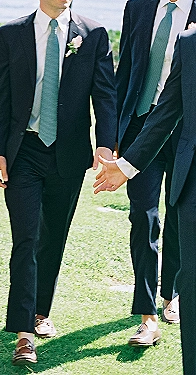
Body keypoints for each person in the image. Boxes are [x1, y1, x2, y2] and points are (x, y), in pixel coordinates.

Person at [0, 0, 117, 366]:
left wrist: (105, 143)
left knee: (53, 237)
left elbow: (106, 96)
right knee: (26, 237)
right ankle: (24, 332)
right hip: (23, 150)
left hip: (69, 153)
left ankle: (40, 311)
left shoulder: (93, 35)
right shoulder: (11, 35)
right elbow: (0, 99)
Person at [94, 24, 196, 375]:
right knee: (191, 286)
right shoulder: (187, 41)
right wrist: (125, 163)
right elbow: (164, 109)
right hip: (189, 181)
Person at [115, 0, 196, 345]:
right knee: (142, 216)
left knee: (180, 217)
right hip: (140, 129)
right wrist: (114, 134)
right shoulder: (138, 7)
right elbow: (125, 72)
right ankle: (146, 313)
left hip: (187, 135)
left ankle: (172, 295)